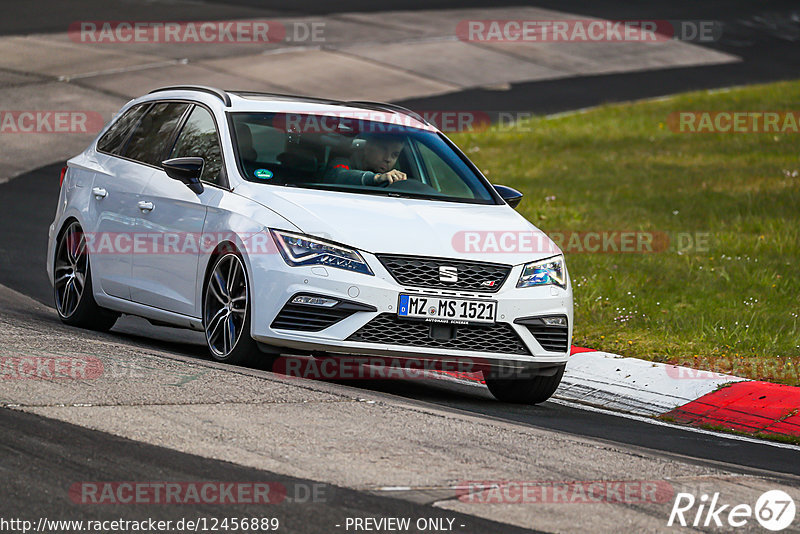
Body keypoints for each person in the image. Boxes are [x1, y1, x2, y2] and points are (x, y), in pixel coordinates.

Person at [324, 133, 407, 186]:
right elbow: (340, 174)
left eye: (395, 155)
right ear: (367, 146)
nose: (388, 159)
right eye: (383, 150)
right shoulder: (342, 163)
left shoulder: (395, 180)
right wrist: (376, 178)